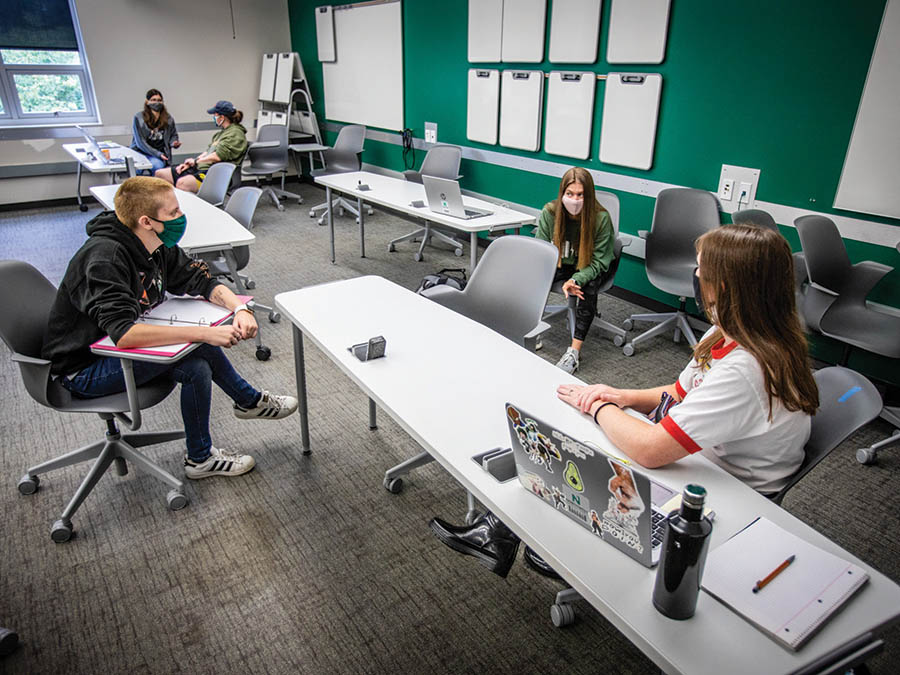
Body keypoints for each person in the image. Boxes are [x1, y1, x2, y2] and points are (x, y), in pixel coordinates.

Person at [430, 224, 819, 578]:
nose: (696, 277)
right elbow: (681, 392)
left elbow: (651, 450)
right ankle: (499, 533)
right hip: (704, 456)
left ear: (731, 285)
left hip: (728, 497)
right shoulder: (731, 331)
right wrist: (621, 396)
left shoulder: (747, 370)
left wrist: (601, 408)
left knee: (586, 444)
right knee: (576, 429)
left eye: (703, 270)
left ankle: (535, 540)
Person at [42, 176, 298, 479]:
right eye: (174, 212)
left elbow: (201, 281)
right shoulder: (105, 259)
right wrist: (203, 333)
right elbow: (124, 335)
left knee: (197, 368)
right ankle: (248, 401)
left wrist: (239, 308)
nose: (182, 218)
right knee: (200, 345)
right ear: (146, 221)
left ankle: (201, 457)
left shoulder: (156, 243)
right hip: (83, 368)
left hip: (116, 351)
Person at [534, 167, 615, 374]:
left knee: (588, 286)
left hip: (591, 265)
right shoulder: (550, 212)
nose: (575, 200)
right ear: (562, 193)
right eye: (569, 194)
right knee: (531, 274)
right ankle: (531, 327)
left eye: (580, 195)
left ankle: (573, 352)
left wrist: (576, 279)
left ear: (588, 196)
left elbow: (598, 262)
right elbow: (541, 252)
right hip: (561, 262)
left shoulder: (601, 218)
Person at [156, 100, 247, 194]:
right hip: (202, 168)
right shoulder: (222, 133)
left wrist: (195, 162)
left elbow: (218, 156)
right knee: (161, 174)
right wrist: (190, 163)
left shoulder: (236, 133)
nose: (214, 117)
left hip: (218, 174)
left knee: (182, 184)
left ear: (222, 117)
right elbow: (207, 153)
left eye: (215, 115)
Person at [130, 88, 180, 173]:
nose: (157, 102)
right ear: (147, 102)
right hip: (142, 153)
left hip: (160, 154)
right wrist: (158, 154)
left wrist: (173, 142)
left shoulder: (168, 118)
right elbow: (140, 143)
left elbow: (173, 135)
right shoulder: (139, 118)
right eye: (153, 100)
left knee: (159, 167)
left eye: (159, 100)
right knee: (151, 167)